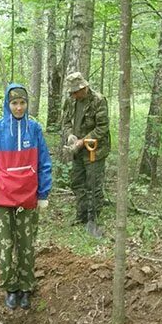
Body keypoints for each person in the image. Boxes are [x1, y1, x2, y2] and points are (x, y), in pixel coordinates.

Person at [0, 84, 52, 310]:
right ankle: (10, 288)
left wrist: (43, 193)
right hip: (1, 198)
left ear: (27, 104)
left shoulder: (34, 129)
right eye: (14, 103)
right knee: (5, 245)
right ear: (7, 105)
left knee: (26, 244)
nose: (18, 107)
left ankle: (26, 287)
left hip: (27, 198)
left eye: (22, 103)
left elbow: (44, 163)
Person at [60, 71, 111, 238]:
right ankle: (81, 216)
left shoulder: (98, 100)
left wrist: (83, 141)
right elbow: (66, 121)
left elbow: (102, 128)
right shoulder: (70, 101)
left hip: (94, 150)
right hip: (78, 150)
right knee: (77, 182)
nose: (74, 95)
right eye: (72, 92)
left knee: (93, 185)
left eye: (76, 92)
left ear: (84, 87)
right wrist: (70, 136)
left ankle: (93, 219)